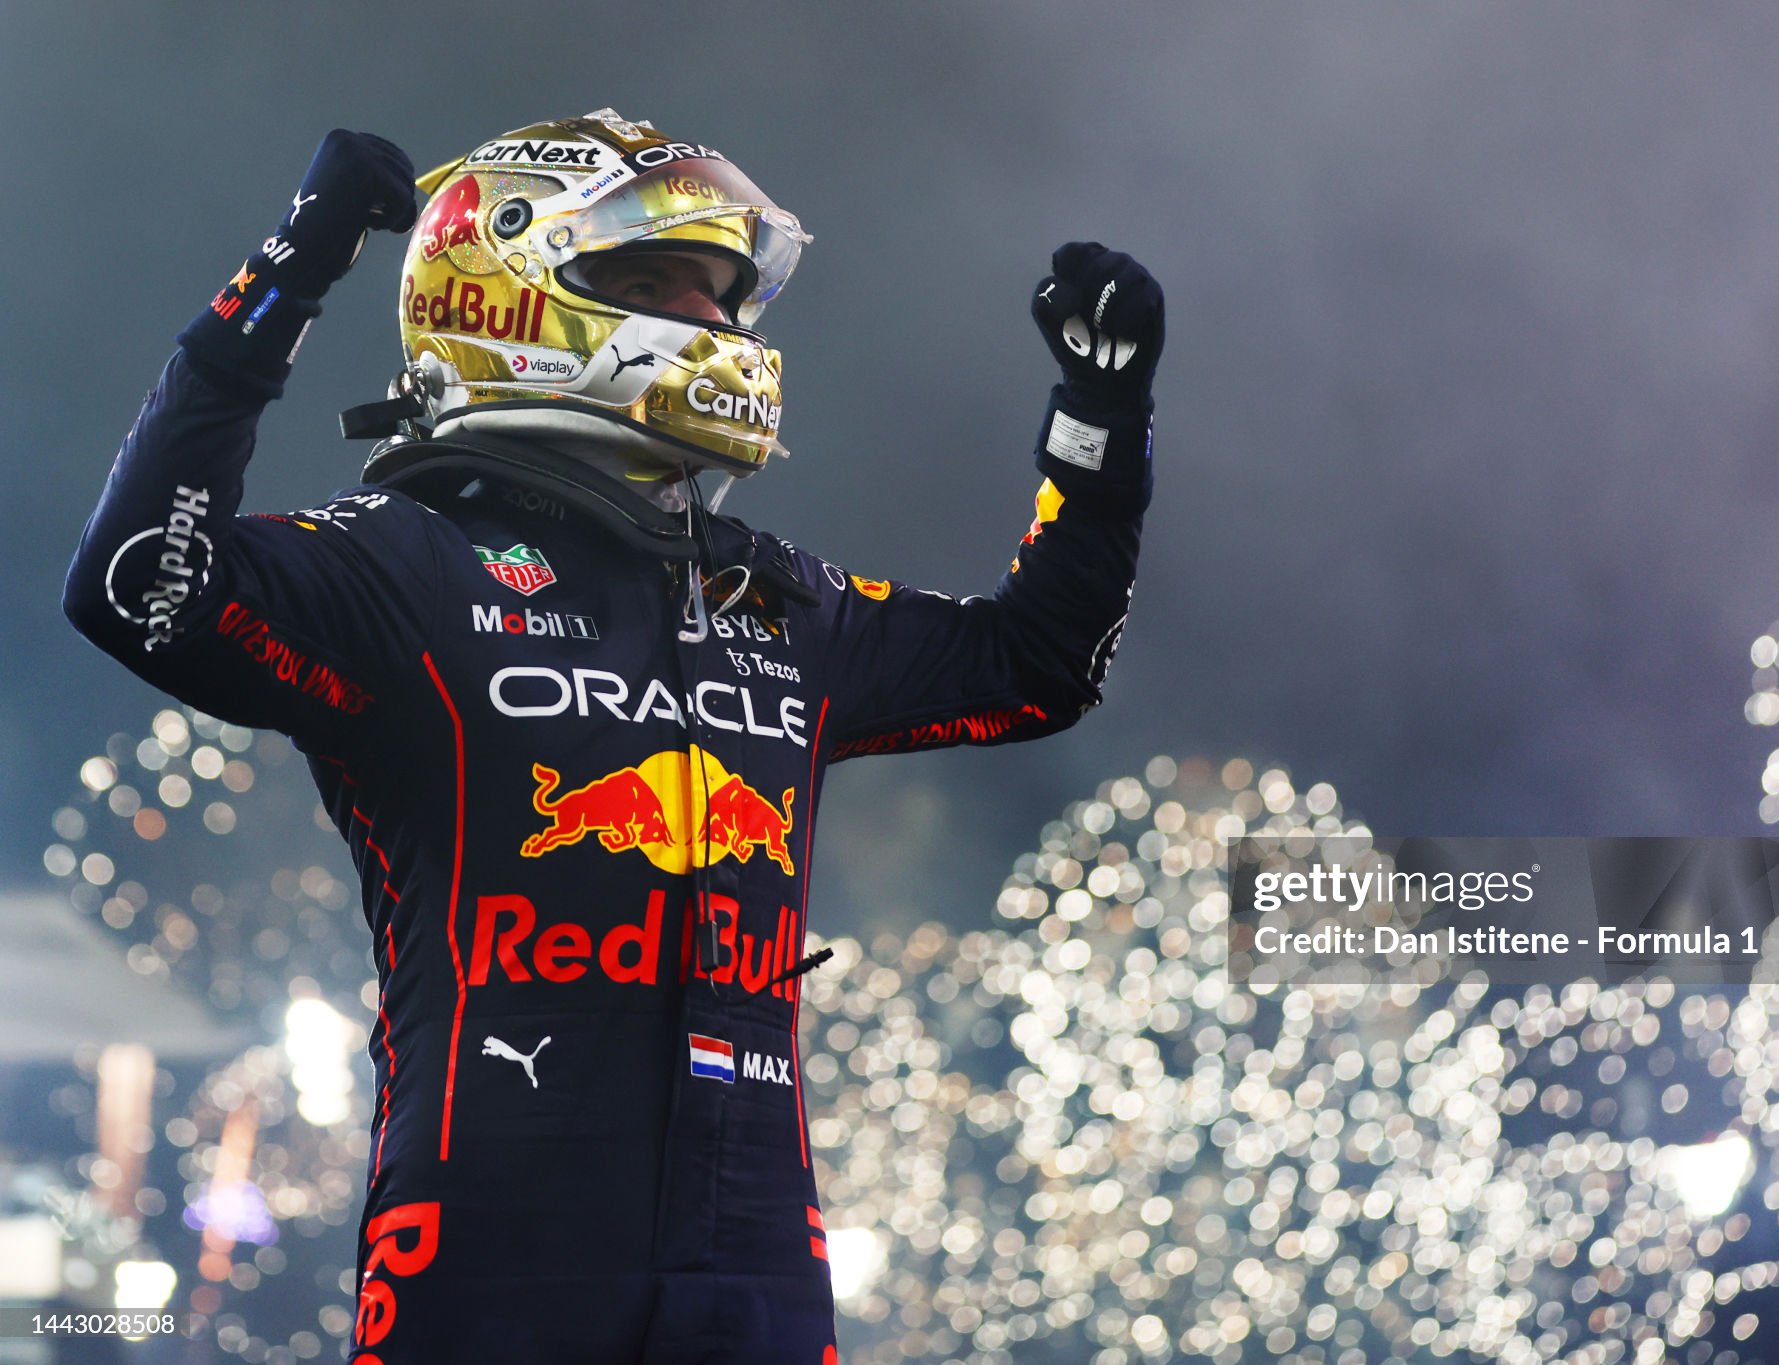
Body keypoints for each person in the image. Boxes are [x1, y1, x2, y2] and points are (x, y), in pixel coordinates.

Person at [61, 111, 1162, 1363]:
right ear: (512, 297)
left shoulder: (772, 596)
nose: (713, 330)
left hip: (759, 1251)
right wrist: (285, 275)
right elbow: (139, 584)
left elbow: (1035, 666)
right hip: (490, 1247)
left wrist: (1098, 424)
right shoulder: (402, 562)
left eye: (722, 299)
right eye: (656, 287)